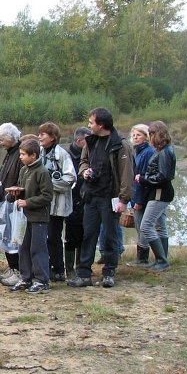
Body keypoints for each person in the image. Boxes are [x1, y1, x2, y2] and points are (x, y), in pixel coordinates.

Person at [68, 107, 134, 288]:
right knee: (88, 234)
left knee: (110, 236)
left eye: (91, 122)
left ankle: (109, 273)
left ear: (101, 124)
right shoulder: (90, 142)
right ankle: (84, 274)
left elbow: (127, 174)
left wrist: (123, 199)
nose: (89, 126)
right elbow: (83, 162)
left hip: (110, 197)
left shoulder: (120, 145)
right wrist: (85, 172)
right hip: (91, 196)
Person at [7, 139, 53, 293]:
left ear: (33, 155)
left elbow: (47, 196)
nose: (20, 157)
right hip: (24, 218)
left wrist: (27, 202)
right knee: (23, 248)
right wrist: (15, 194)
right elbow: (22, 190)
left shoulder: (42, 172)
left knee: (37, 249)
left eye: (23, 154)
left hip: (39, 217)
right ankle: (25, 279)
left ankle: (42, 281)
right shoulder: (23, 170)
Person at [38, 122, 77, 282]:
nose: (39, 136)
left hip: (58, 204)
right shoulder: (38, 153)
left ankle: (58, 269)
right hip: (42, 204)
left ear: (53, 137)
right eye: (39, 134)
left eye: (43, 134)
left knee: (54, 237)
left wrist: (48, 184)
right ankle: (45, 267)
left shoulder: (62, 155)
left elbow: (70, 178)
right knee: (43, 237)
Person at [137, 121, 176, 271]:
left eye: (151, 134)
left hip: (160, 193)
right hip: (159, 192)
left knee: (146, 226)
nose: (150, 138)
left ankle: (162, 260)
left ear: (156, 134)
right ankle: (162, 259)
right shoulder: (163, 150)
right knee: (160, 226)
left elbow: (163, 176)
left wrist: (143, 178)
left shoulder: (165, 152)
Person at [0, 122, 24, 286]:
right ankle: (12, 268)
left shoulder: (20, 153)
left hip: (14, 203)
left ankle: (18, 270)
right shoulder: (9, 153)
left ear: (11, 138)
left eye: (2, 139)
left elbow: (21, 178)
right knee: (5, 236)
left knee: (14, 238)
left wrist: (13, 195)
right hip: (3, 202)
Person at [125, 124, 155, 267]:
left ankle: (142, 259)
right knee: (139, 226)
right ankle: (142, 258)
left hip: (143, 195)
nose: (135, 137)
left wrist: (138, 200)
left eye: (139, 135)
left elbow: (142, 178)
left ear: (146, 137)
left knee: (142, 226)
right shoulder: (137, 151)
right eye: (134, 135)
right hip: (137, 194)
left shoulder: (147, 152)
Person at [63, 127, 91, 280]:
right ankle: (69, 269)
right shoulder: (66, 155)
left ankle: (81, 266)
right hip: (71, 200)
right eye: (88, 140)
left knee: (85, 234)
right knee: (71, 235)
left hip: (88, 199)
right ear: (79, 141)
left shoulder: (91, 153)